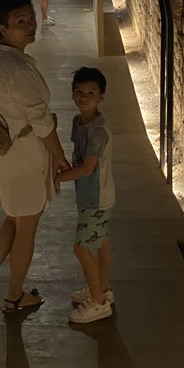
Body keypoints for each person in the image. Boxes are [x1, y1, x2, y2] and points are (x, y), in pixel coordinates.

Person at [0, 0, 70, 313]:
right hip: (26, 156)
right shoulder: (18, 68)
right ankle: (15, 296)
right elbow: (41, 123)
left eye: (31, 19)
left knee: (13, 220)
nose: (30, 26)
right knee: (26, 228)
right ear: (3, 28)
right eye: (20, 22)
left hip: (6, 154)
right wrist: (59, 157)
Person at [54, 66, 115, 324]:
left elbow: (88, 167)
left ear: (101, 96)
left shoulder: (98, 131)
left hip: (96, 198)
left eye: (91, 92)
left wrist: (58, 177)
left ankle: (99, 303)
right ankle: (101, 289)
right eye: (79, 92)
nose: (84, 97)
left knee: (81, 248)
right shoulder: (78, 122)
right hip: (88, 195)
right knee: (100, 241)